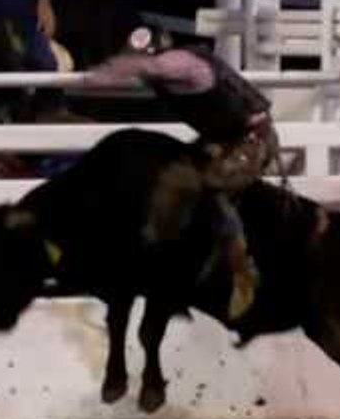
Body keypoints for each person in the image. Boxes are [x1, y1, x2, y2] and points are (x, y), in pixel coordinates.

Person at [86, 26, 281, 320]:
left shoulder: (183, 62)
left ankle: (242, 272)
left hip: (250, 140)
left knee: (209, 189)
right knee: (164, 181)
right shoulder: (171, 67)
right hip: (223, 139)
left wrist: (106, 72)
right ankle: (167, 266)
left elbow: (157, 65)